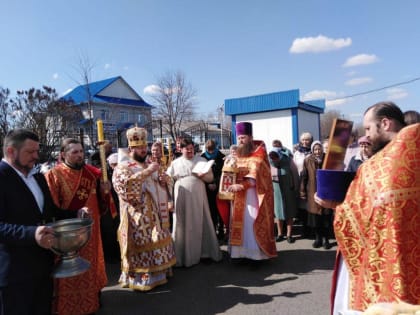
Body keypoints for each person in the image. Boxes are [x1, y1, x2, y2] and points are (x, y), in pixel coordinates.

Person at [314, 101, 419, 314]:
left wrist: (334, 205)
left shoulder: (379, 164)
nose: (366, 136)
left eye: (369, 129)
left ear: (386, 124)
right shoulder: (413, 153)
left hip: (378, 259)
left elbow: (358, 213)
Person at [0, 129, 83, 315]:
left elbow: (49, 212)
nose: (36, 157)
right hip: (14, 273)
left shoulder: (37, 176)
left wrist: (75, 214)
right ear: (11, 151)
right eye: (30, 152)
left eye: (37, 151)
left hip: (42, 268)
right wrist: (32, 234)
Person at [45, 138, 109, 315]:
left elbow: (102, 205)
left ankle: (92, 300)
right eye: (75, 152)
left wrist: (105, 192)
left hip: (91, 231)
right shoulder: (54, 175)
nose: (80, 155)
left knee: (91, 265)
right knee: (69, 271)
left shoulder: (92, 174)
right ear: (63, 154)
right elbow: (51, 209)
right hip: (67, 235)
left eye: (81, 151)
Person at [112, 128, 176, 290]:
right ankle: (142, 278)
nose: (143, 150)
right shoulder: (123, 166)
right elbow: (125, 188)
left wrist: (164, 180)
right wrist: (147, 172)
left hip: (157, 211)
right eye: (139, 147)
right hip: (137, 214)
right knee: (143, 243)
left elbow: (167, 181)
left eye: (144, 147)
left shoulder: (149, 162)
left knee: (157, 240)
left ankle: (160, 273)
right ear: (131, 148)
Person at [166, 138, 222, 267]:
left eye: (192, 149)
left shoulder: (201, 160)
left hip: (198, 194)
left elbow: (210, 178)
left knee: (200, 221)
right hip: (182, 195)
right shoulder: (175, 163)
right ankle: (182, 255)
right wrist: (169, 197)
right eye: (187, 149)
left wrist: (203, 176)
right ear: (181, 149)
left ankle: (205, 252)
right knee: (182, 223)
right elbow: (168, 180)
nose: (190, 151)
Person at [227, 122, 277, 260]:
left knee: (251, 224)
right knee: (239, 224)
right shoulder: (238, 153)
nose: (240, 141)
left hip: (253, 196)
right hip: (238, 197)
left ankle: (256, 256)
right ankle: (240, 254)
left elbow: (256, 174)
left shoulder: (259, 152)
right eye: (239, 138)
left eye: (243, 137)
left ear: (250, 137)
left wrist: (242, 186)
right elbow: (231, 172)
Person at [300, 141, 332, 249]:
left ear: (322, 149)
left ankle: (326, 239)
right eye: (315, 149)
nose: (318, 151)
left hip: (326, 192)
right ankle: (318, 239)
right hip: (312, 192)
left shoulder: (328, 159)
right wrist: (302, 191)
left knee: (326, 218)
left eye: (319, 149)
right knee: (316, 219)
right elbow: (304, 177)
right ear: (312, 150)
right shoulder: (307, 160)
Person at [270, 140, 298, 244]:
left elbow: (294, 173)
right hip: (276, 189)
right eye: (274, 147)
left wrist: (295, 187)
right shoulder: (270, 158)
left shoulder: (288, 158)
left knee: (289, 212)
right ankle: (280, 234)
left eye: (277, 147)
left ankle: (289, 235)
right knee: (278, 213)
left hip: (288, 188)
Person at [201, 139, 226, 240]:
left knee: (220, 209)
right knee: (211, 210)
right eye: (208, 150)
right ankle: (212, 231)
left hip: (219, 186)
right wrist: (208, 183)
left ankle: (220, 230)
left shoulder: (221, 156)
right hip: (207, 188)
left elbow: (223, 172)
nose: (210, 152)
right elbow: (201, 172)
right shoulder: (202, 158)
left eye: (212, 150)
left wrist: (215, 182)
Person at [293, 132, 313, 238]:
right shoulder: (297, 153)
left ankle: (311, 229)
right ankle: (304, 229)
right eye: (303, 140)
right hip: (301, 182)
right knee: (302, 207)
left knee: (311, 206)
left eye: (307, 140)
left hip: (311, 182)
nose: (305, 142)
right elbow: (295, 168)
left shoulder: (313, 152)